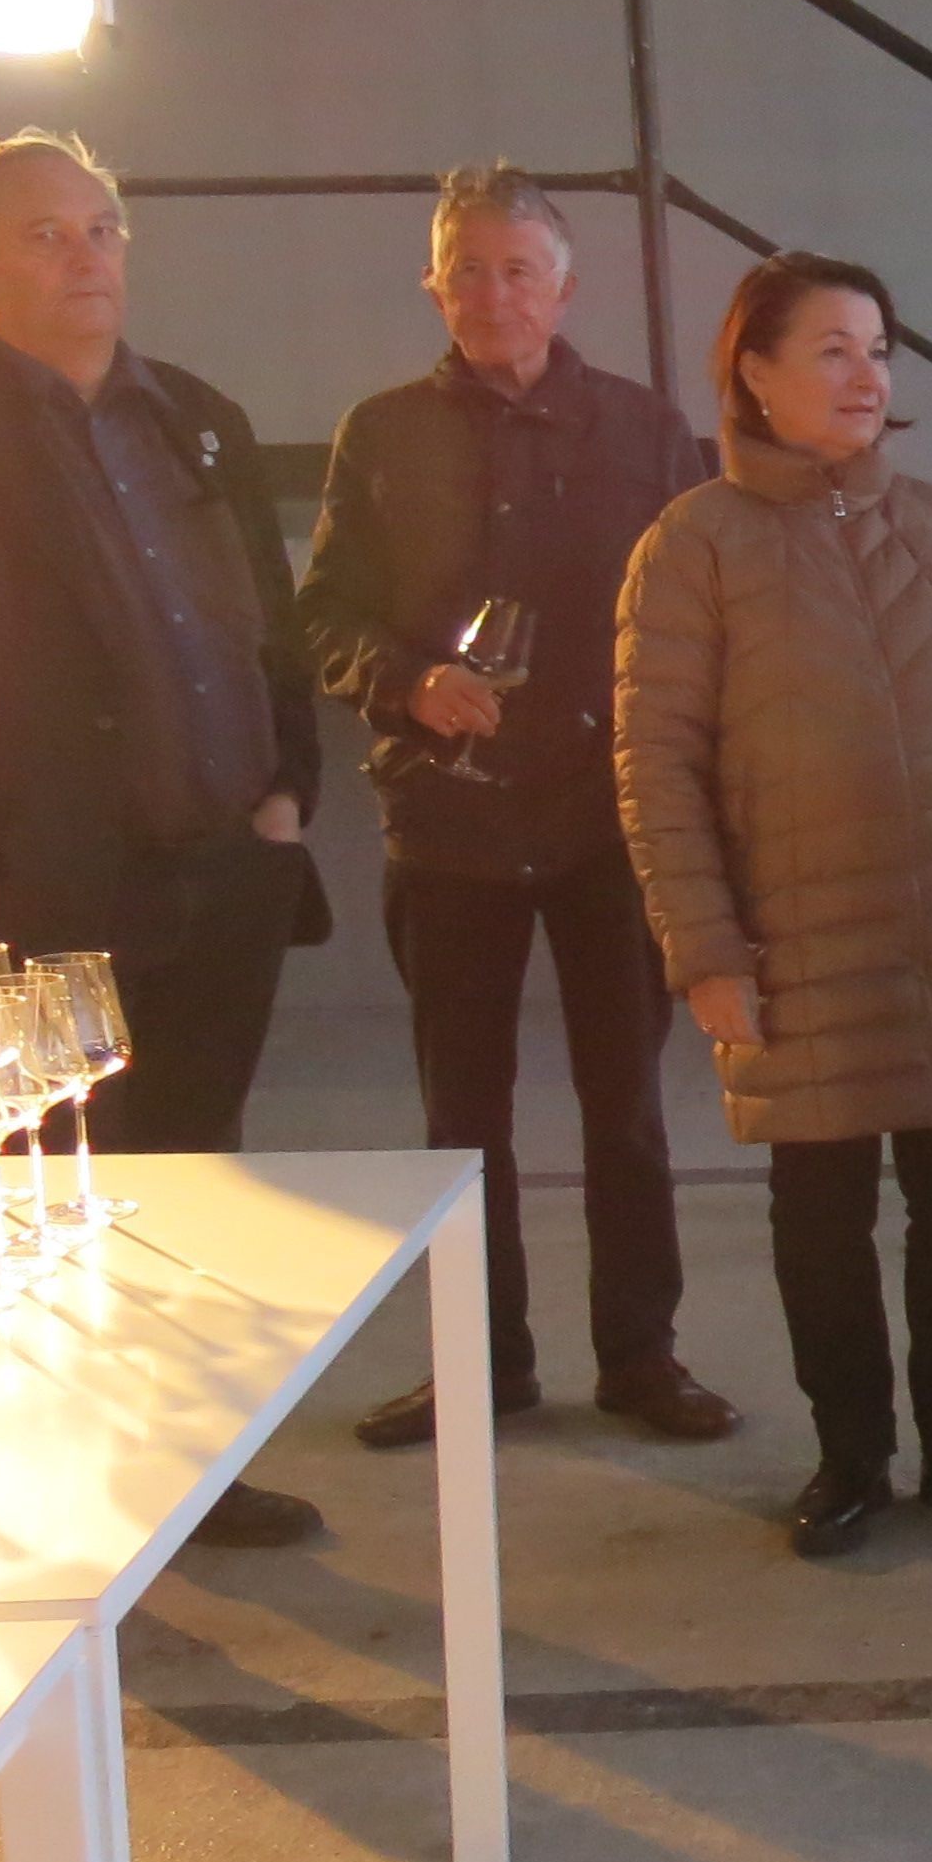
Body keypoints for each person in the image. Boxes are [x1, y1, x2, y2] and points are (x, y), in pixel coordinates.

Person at [0, 130, 322, 1548]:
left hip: (225, 868)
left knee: (195, 1171)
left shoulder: (200, 417)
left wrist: (290, 792)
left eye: (101, 228)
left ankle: (193, 1472)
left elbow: (267, 628)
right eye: (43, 235)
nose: (83, 257)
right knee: (56, 1185)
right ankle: (72, 1484)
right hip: (47, 883)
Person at [613, 253, 932, 1558]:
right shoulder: (694, 544)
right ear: (753, 373)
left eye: (877, 348)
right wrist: (701, 944)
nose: (864, 374)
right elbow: (656, 763)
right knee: (820, 1214)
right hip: (799, 944)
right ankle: (851, 1458)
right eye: (829, 349)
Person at [300, 164, 737, 1454]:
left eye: (520, 270)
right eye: (470, 270)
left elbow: (697, 616)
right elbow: (322, 615)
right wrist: (404, 681)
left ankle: (641, 1356)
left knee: (628, 1106)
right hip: (450, 824)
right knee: (460, 1115)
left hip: (611, 817)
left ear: (565, 289)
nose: (495, 294)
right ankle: (479, 1363)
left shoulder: (645, 429)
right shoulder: (379, 434)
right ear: (435, 286)